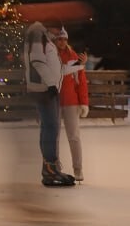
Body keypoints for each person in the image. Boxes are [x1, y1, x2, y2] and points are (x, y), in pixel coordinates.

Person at [24, 21, 78, 187]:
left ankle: (50, 168)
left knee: (50, 127)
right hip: (44, 90)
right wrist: (52, 85)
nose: (58, 33)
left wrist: (77, 65)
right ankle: (50, 169)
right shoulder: (38, 35)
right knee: (51, 127)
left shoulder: (46, 39)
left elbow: (56, 69)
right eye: (57, 29)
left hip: (48, 89)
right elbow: (37, 62)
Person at [53, 28, 89, 183]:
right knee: (53, 138)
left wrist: (83, 102)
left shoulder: (73, 56)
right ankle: (54, 168)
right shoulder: (50, 55)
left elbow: (81, 83)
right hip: (53, 102)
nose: (62, 42)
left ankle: (78, 169)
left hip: (70, 102)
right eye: (59, 39)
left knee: (74, 137)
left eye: (64, 39)